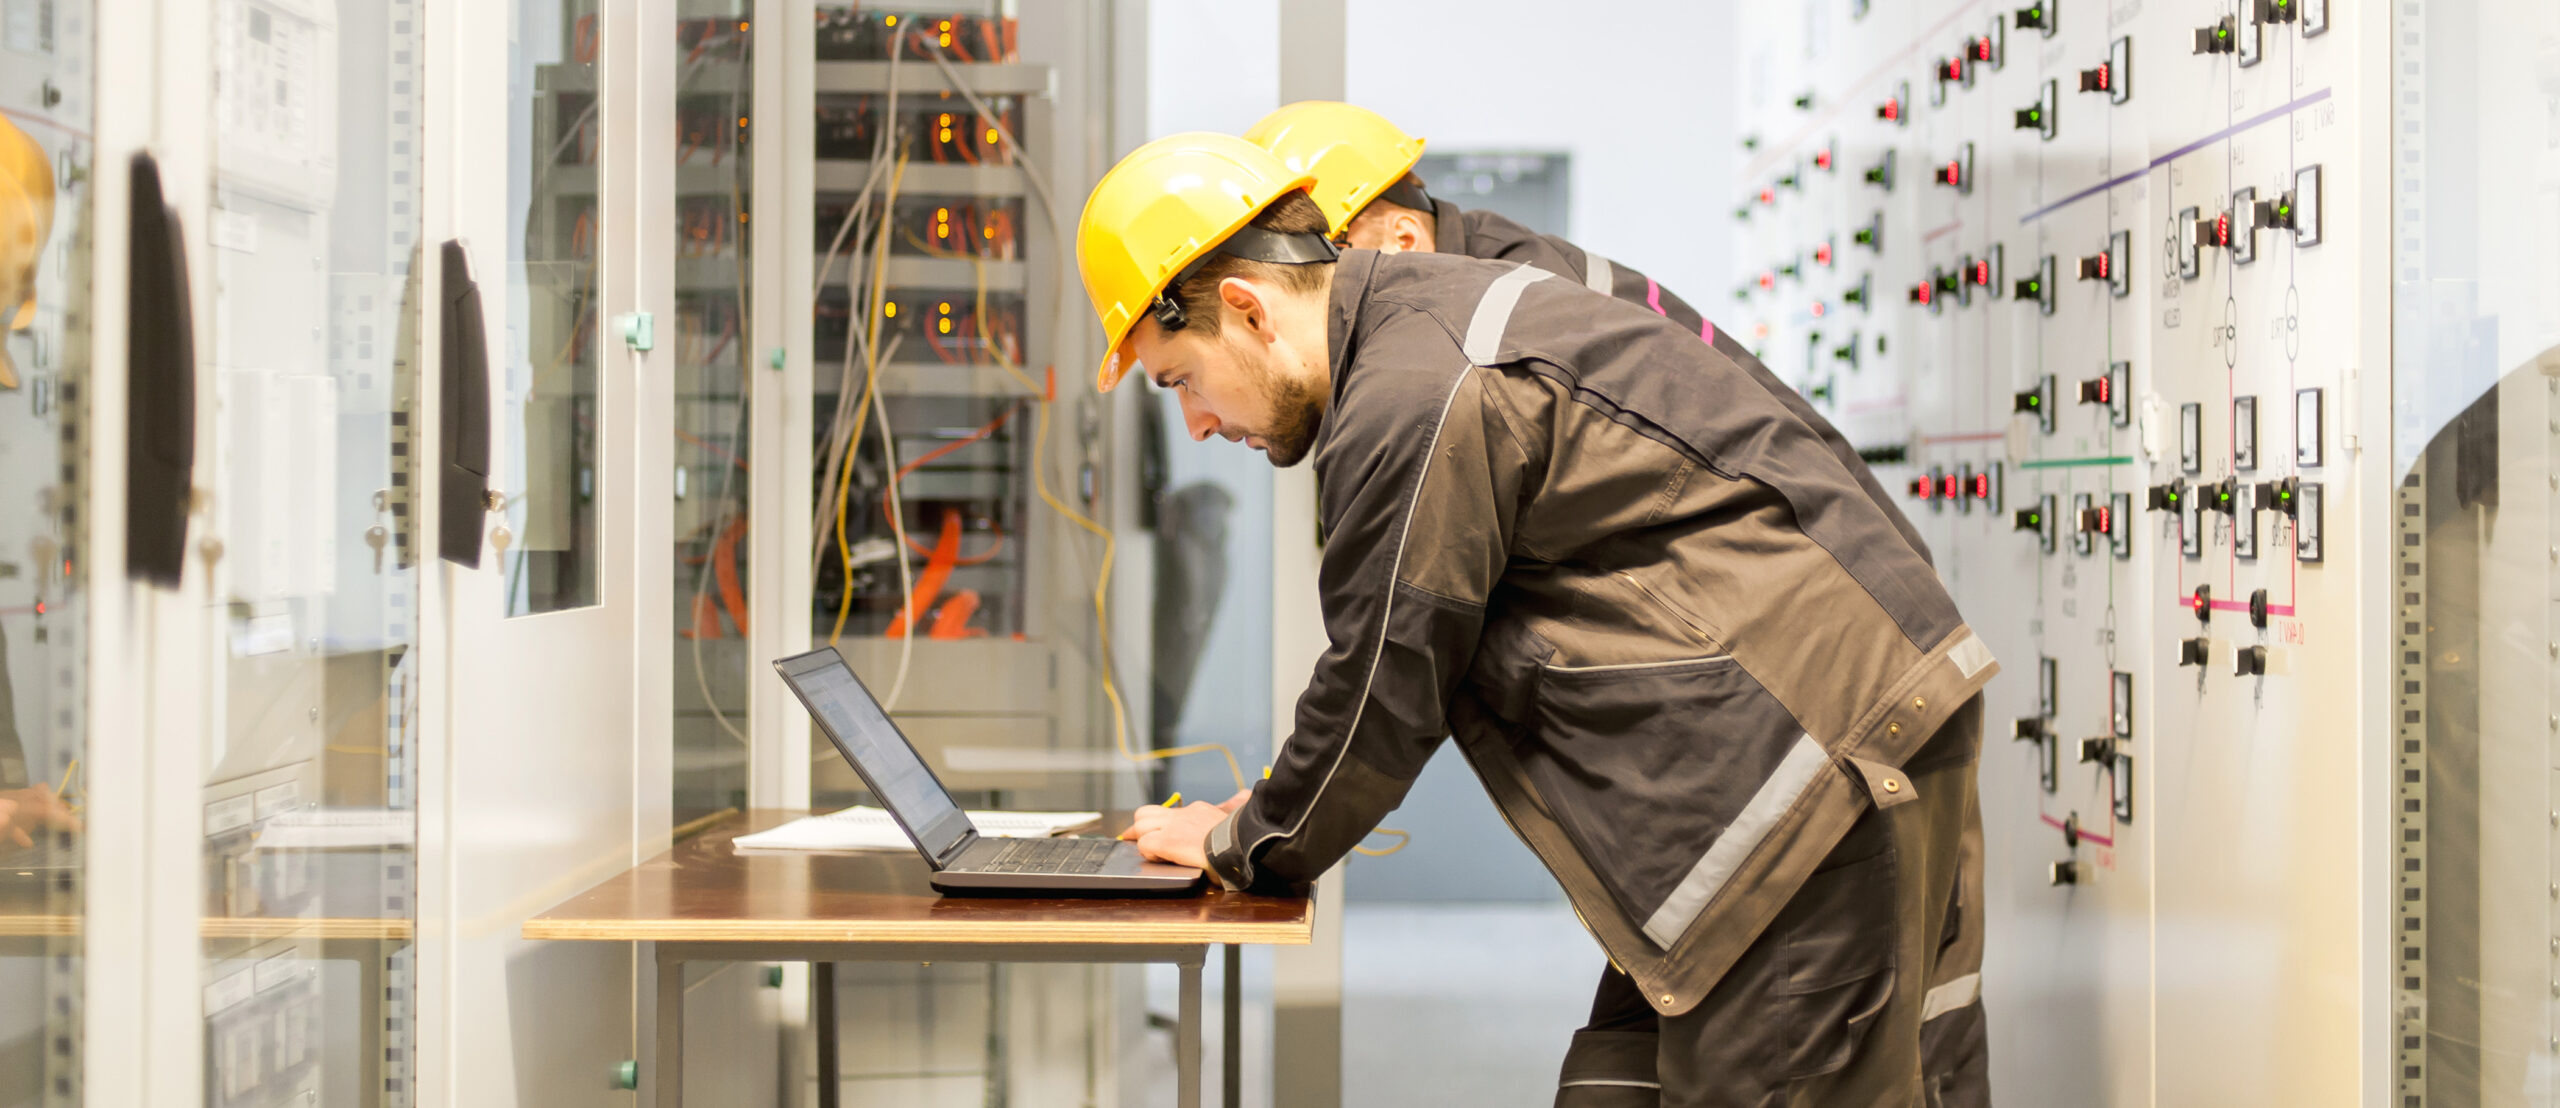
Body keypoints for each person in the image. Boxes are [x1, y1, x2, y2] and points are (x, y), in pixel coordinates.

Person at [1097, 134, 1992, 1107]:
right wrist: (1271, 813)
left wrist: (1251, 841)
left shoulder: (1412, 387)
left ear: (1245, 307)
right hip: (1817, 738)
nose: (1192, 423)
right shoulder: (1428, 331)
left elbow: (1384, 677)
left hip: (1811, 770)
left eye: (1177, 377)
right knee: (1614, 1090)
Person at [1242, 100, 1928, 565]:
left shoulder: (1504, 321)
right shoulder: (1486, 285)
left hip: (1834, 587)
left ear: (1401, 237)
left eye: (1323, 268)